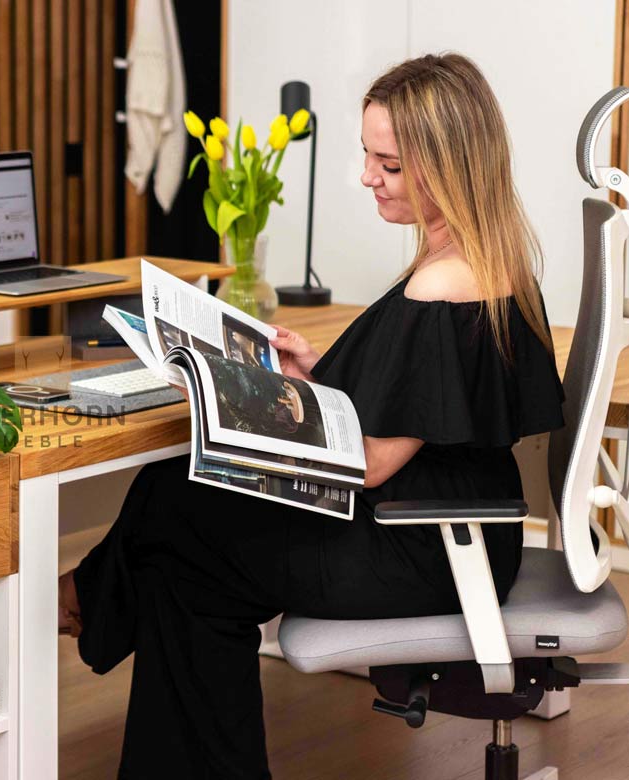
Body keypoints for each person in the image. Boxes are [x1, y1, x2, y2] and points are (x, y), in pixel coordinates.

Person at [57, 53, 566, 779]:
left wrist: (239, 403)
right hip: (452, 530)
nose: (367, 177)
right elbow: (417, 406)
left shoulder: (445, 283)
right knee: (174, 518)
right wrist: (312, 375)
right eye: (367, 155)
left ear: (448, 165)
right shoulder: (488, 255)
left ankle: (79, 601)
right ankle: (86, 604)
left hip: (416, 542)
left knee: (176, 523)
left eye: (388, 164)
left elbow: (369, 461)